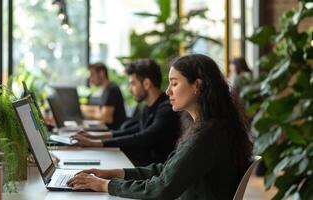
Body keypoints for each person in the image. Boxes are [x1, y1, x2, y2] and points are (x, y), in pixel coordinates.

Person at [67, 54, 253, 199]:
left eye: (174, 83)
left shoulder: (207, 136)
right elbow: (164, 170)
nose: (168, 91)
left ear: (197, 86)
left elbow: (162, 189)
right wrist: (110, 174)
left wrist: (104, 185)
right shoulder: (211, 127)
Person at [73, 59, 181, 165]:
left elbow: (144, 137)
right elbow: (134, 130)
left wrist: (97, 143)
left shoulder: (166, 109)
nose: (129, 89)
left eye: (133, 84)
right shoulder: (149, 106)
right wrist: (95, 137)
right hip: (143, 164)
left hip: (152, 172)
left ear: (147, 83)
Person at [81, 62, 127, 130]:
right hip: (107, 129)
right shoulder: (106, 89)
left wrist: (85, 115)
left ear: (101, 73)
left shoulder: (112, 89)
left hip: (113, 131)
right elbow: (98, 110)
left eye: (92, 75)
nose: (90, 79)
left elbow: (106, 118)